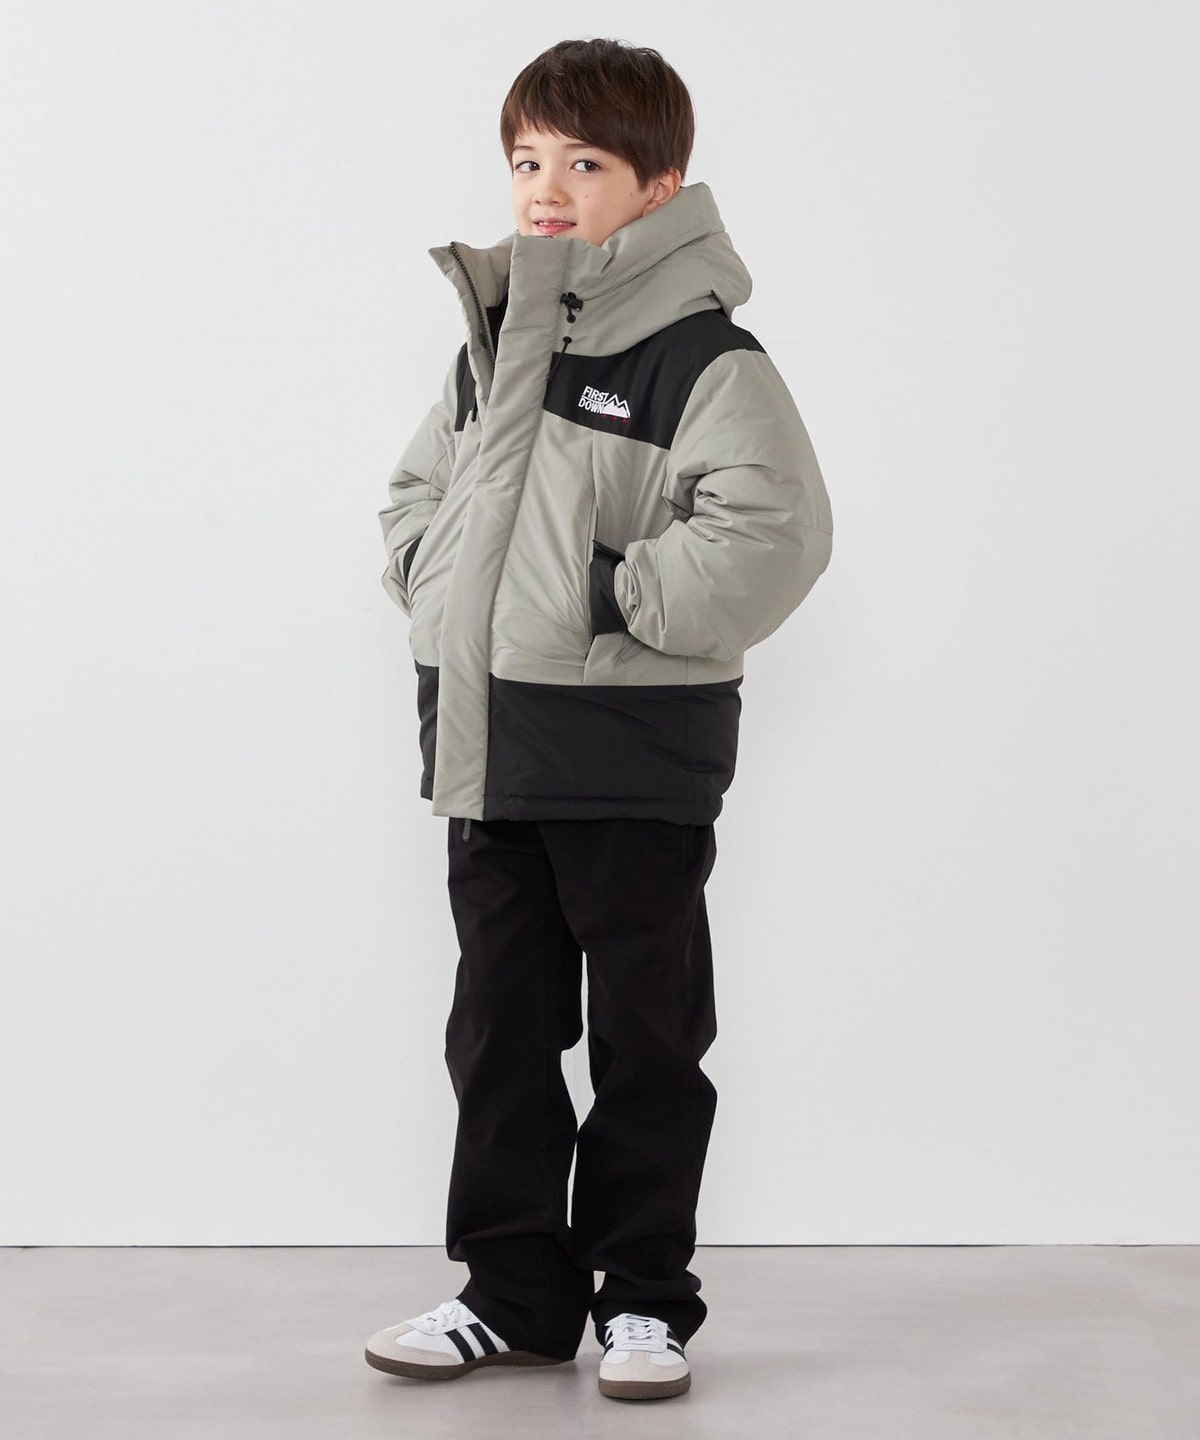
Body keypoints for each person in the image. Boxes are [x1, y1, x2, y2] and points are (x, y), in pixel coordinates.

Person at [364, 37, 833, 1402]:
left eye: (583, 163)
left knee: (647, 1037)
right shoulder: (495, 343)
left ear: (658, 186)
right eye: (527, 161)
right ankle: (511, 1293)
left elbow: (774, 535)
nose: (547, 189)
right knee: (498, 1037)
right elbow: (413, 494)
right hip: (486, 747)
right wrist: (435, 576)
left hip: (631, 757)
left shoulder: (705, 356)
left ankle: (643, 1300)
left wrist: (601, 591)